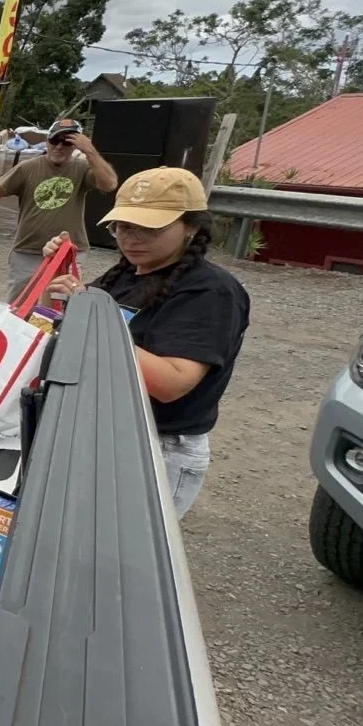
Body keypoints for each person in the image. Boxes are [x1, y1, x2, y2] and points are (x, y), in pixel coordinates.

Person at [41, 167, 250, 518]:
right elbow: (59, 328)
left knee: (116, 561)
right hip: (103, 432)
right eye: (123, 226)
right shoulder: (124, 274)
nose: (131, 237)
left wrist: (90, 315)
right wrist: (54, 276)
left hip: (156, 445)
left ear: (192, 227)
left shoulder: (210, 291)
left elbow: (170, 383)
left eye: (149, 228)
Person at [0, 118, 118, 303]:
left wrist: (90, 151)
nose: (59, 146)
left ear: (75, 146)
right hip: (28, 251)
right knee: (19, 303)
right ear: (47, 142)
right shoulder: (28, 168)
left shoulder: (82, 169)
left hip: (68, 251)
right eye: (54, 140)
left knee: (58, 303)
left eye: (67, 142)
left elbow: (110, 184)